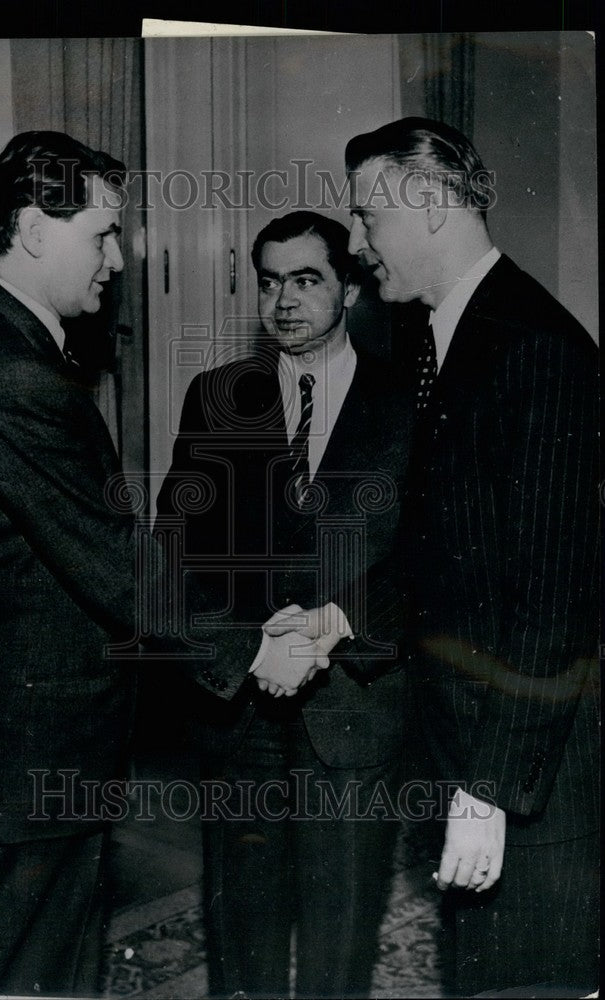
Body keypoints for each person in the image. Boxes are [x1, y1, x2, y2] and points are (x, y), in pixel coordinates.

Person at [0, 131, 168, 995]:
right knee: (27, 971)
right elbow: (115, 565)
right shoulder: (10, 376)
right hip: (23, 767)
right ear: (31, 228)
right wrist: (254, 646)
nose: (117, 259)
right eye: (103, 233)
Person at [334, 117, 598, 996]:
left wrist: (486, 794)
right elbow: (441, 555)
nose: (360, 245)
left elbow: (553, 599)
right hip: (470, 746)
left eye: (369, 217)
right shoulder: (436, 336)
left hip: (533, 772)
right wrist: (338, 618)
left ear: (431, 205)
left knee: (526, 976)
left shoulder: (538, 350)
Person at [155, 211, 411, 999]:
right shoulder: (215, 398)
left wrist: (335, 627)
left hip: (353, 706)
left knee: (340, 937)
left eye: (306, 280)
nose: (283, 301)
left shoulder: (408, 402)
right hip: (242, 709)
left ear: (352, 287)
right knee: (244, 934)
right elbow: (174, 546)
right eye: (269, 282)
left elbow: (433, 558)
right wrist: (242, 646)